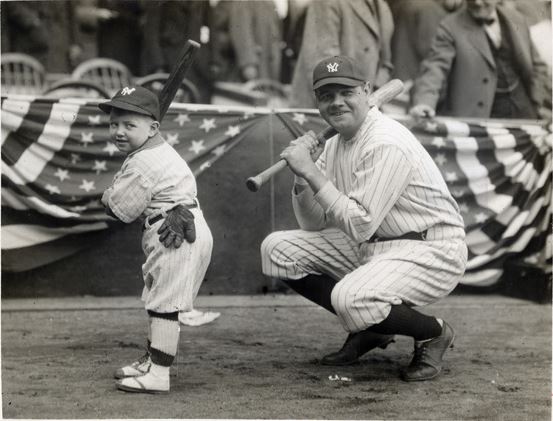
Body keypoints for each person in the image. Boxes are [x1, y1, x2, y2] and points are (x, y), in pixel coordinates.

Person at [260, 56, 468, 381]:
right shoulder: (335, 142)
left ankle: (433, 332)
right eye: (327, 96)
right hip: (373, 246)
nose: (337, 102)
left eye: (347, 92)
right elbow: (312, 224)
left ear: (367, 91)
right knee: (277, 250)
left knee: (351, 298)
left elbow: (359, 223)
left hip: (430, 249)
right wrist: (303, 177)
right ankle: (373, 327)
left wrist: (312, 172)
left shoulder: (386, 141)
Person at [99, 86, 213, 393]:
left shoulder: (143, 162)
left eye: (129, 125)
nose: (119, 131)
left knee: (164, 304)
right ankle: (153, 361)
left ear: (153, 128)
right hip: (177, 224)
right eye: (114, 123)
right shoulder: (154, 150)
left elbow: (121, 210)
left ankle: (159, 374)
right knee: (158, 297)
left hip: (174, 230)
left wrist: (106, 196)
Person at [409, 0, 551, 120]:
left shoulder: (516, 18)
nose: (477, 2)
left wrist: (537, 101)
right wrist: (425, 102)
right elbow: (435, 67)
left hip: (525, 115)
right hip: (481, 119)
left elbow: (538, 65)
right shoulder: (450, 26)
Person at [289, 0, 394, 108]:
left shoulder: (382, 6)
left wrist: (374, 96)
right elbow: (324, 66)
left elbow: (385, 61)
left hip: (361, 109)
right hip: (324, 111)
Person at [390, 0, 463, 83]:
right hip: (414, 83)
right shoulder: (429, 9)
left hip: (398, 78)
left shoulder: (406, 3)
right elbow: (434, 56)